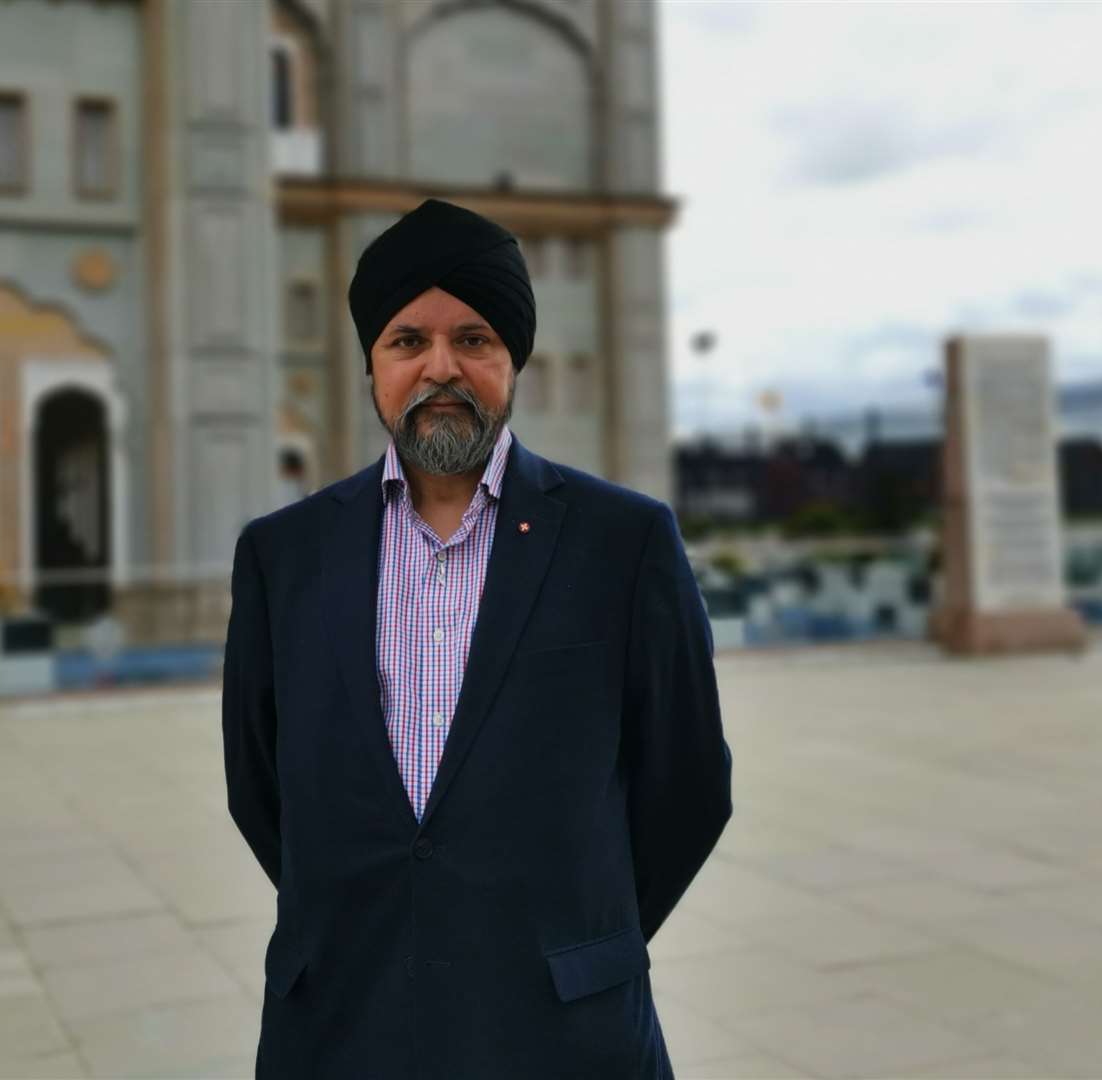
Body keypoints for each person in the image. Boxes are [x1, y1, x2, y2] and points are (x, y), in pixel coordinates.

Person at [222, 198, 732, 1079]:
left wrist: (577, 935)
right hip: (341, 1019)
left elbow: (687, 787)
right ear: (372, 365)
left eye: (473, 339)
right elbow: (259, 786)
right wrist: (375, 907)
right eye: (407, 341)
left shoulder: (622, 543)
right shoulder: (285, 555)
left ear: (512, 359)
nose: (440, 368)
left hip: (562, 1029)